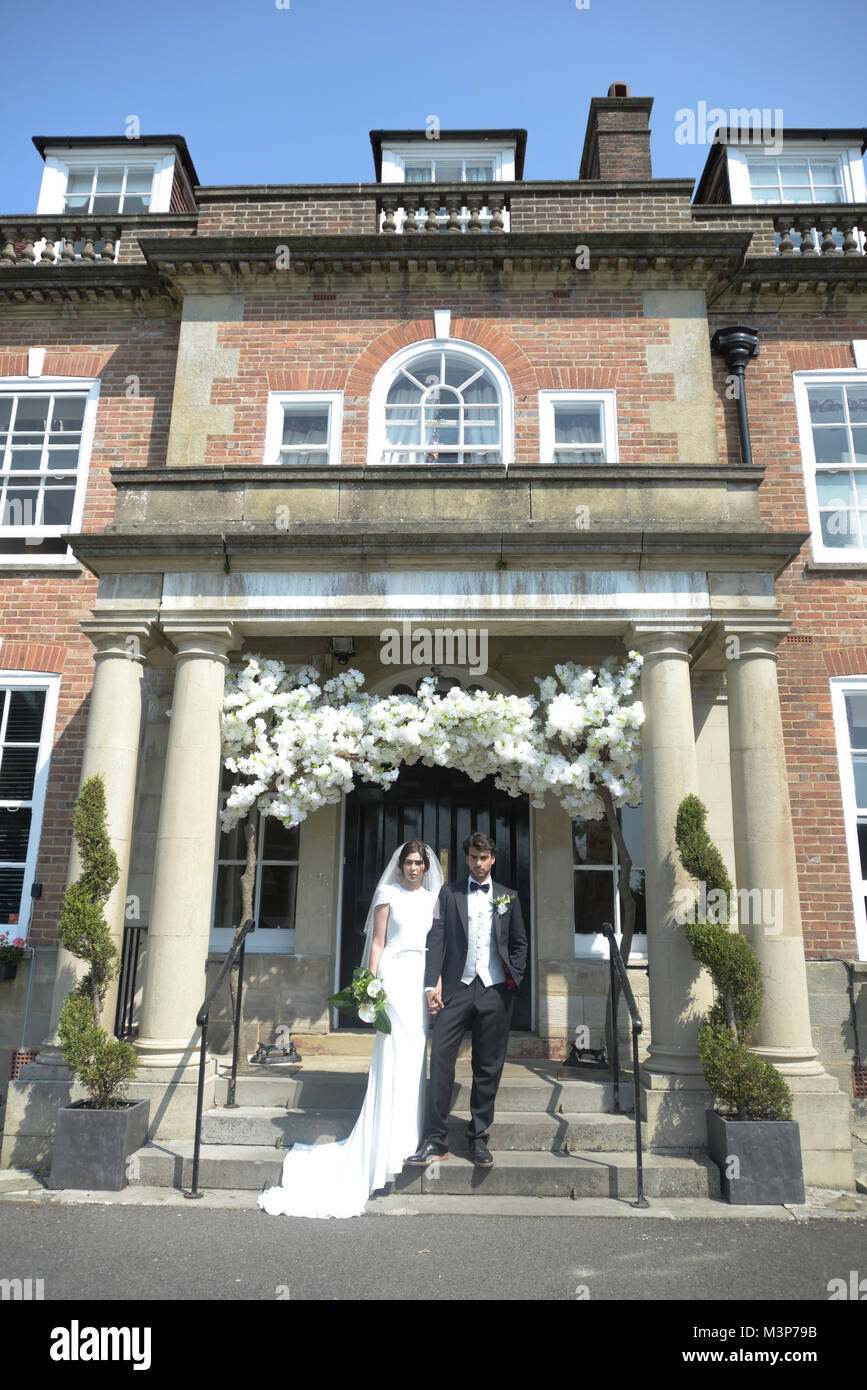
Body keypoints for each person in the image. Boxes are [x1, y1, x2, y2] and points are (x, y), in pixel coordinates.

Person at [257, 840, 442, 1219]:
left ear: (426, 866)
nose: (412, 868)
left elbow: (437, 945)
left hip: (420, 978)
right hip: (393, 978)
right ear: (401, 865)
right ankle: (384, 1142)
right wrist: (371, 987)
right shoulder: (388, 894)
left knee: (413, 1056)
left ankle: (408, 1137)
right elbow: (377, 943)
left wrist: (435, 982)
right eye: (407, 862)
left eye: (418, 863)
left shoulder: (434, 898)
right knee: (392, 1055)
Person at [404, 831, 528, 1170]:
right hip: (456, 990)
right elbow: (437, 939)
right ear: (467, 859)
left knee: (488, 1067)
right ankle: (435, 1138)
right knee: (441, 1061)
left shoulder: (508, 897)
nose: (478, 863)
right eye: (473, 857)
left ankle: (478, 1137)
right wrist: (432, 984)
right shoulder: (449, 893)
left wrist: (513, 978)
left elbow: (519, 943)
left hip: (495, 990)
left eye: (483, 858)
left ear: (493, 859)